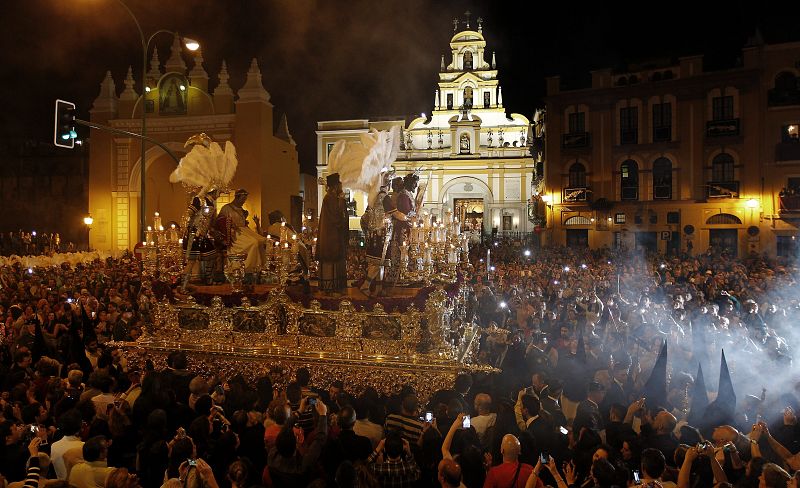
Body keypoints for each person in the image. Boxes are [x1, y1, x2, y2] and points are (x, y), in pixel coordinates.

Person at [216, 188, 268, 275]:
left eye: (245, 200)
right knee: (254, 242)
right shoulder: (226, 208)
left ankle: (261, 267)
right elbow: (219, 221)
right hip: (235, 233)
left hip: (245, 231)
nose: (244, 202)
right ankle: (250, 268)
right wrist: (230, 224)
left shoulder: (242, 210)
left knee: (262, 240)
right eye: (243, 199)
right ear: (237, 198)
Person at [317, 173, 349, 294]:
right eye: (340, 184)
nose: (341, 186)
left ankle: (335, 288)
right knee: (331, 261)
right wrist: (341, 201)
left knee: (337, 261)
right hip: (331, 238)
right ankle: (331, 289)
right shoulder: (330, 198)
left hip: (334, 236)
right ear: (336, 185)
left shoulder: (332, 198)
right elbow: (337, 217)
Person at [182, 189, 219, 285]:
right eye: (218, 192)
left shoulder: (211, 202)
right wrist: (190, 228)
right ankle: (183, 286)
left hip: (203, 235)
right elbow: (188, 214)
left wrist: (211, 230)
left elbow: (208, 222)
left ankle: (209, 280)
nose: (219, 195)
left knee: (212, 255)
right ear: (213, 191)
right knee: (191, 261)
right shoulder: (199, 200)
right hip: (193, 235)